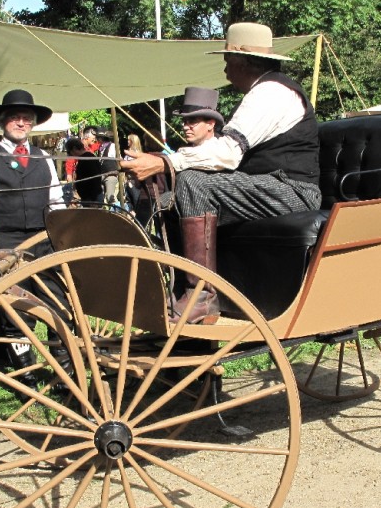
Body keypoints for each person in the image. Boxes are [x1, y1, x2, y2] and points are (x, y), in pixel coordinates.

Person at [120, 23, 321, 323]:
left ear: (242, 61)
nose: (225, 69)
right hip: (267, 187)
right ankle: (180, 286)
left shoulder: (271, 93)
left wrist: (166, 163)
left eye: (227, 60)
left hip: (292, 192)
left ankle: (201, 293)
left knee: (191, 182)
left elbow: (227, 153)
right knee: (170, 200)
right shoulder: (264, 91)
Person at [0, 89, 64, 384]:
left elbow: (56, 202)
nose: (22, 123)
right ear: (3, 123)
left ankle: (64, 368)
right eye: (15, 118)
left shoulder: (44, 157)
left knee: (57, 301)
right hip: (7, 244)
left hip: (44, 242)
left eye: (27, 118)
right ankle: (26, 374)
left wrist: (61, 234)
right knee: (15, 310)